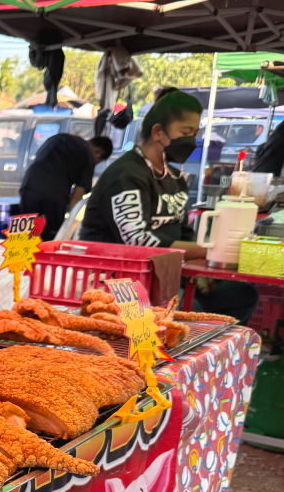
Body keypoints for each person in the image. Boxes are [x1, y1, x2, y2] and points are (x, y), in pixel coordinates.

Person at [80, 87, 258, 323]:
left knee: (241, 295)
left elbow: (182, 230)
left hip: (164, 274)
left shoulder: (174, 177)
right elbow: (138, 241)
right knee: (184, 311)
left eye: (195, 133)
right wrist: (210, 251)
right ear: (157, 132)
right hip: (117, 280)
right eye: (185, 132)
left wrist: (197, 267)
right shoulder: (125, 175)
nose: (191, 141)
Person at [17, 134, 112, 241]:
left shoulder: (58, 138)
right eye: (97, 162)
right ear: (98, 153)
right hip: (53, 197)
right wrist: (70, 224)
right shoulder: (88, 155)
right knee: (48, 239)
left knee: (25, 233)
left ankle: (22, 250)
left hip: (29, 187)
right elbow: (77, 195)